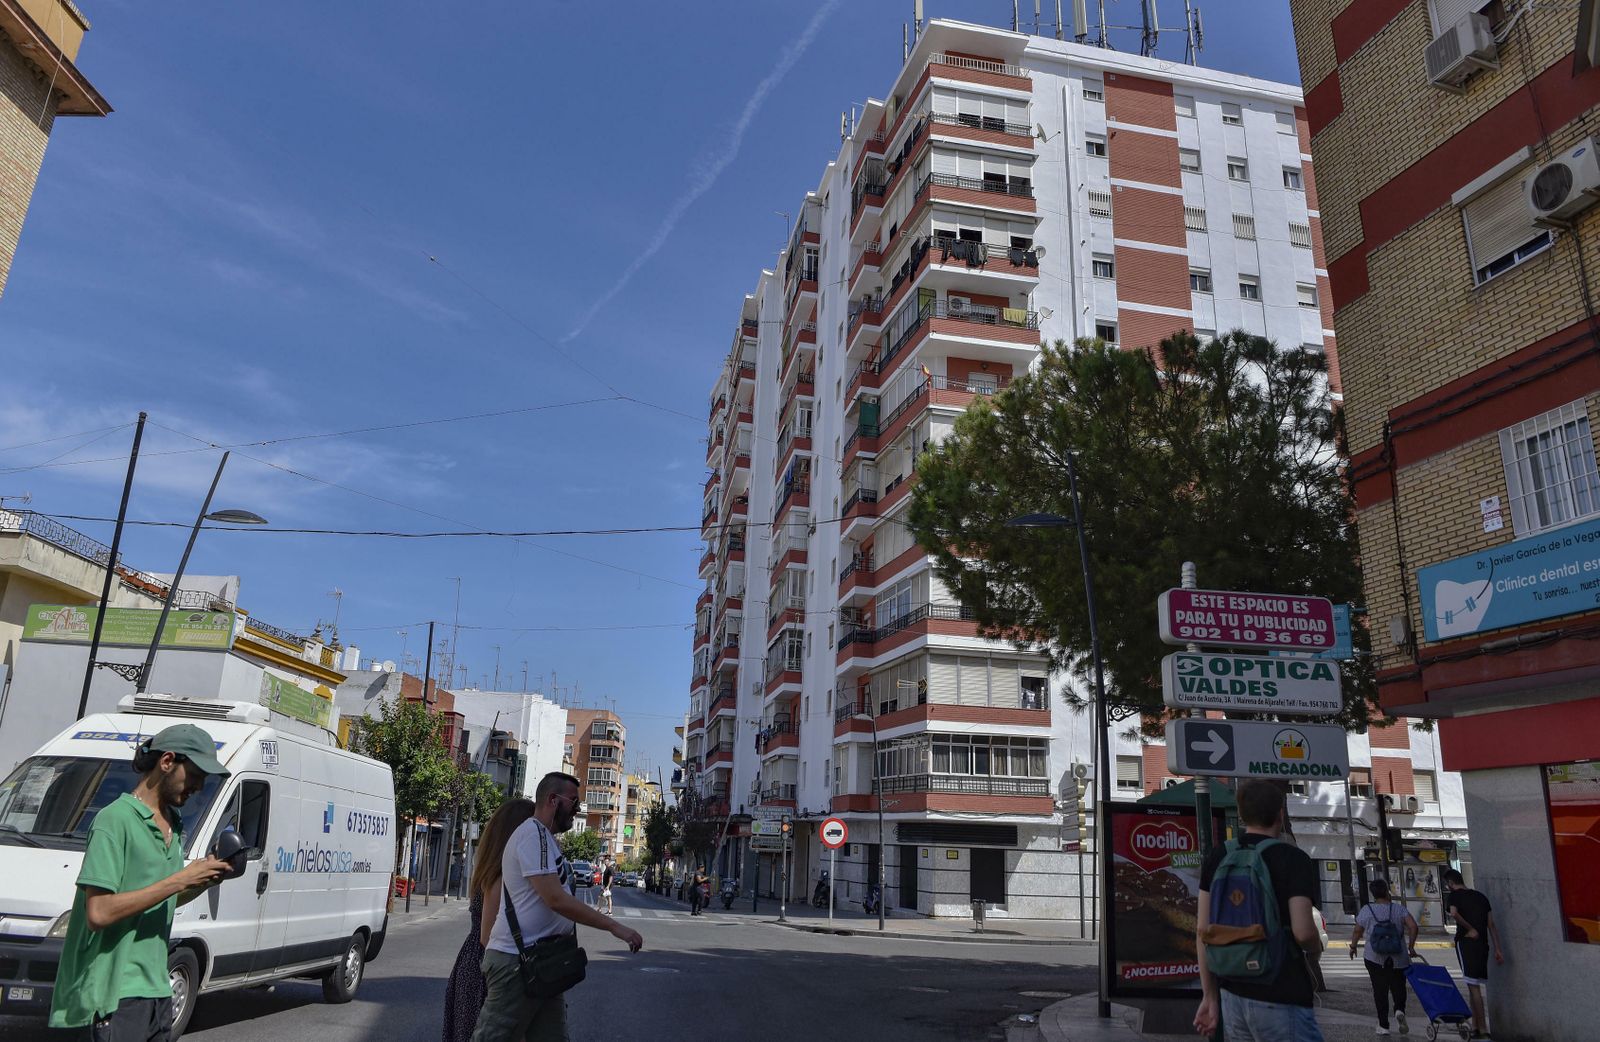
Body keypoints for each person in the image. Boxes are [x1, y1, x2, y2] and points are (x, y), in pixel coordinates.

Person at [48, 725, 232, 1042]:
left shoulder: (173, 825)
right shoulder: (114, 820)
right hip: (110, 994)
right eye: (195, 774)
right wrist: (179, 879)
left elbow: (161, 897)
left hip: (156, 990)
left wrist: (202, 879)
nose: (199, 786)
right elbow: (99, 913)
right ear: (167, 762)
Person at [474, 773, 644, 1042]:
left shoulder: (546, 839)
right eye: (574, 802)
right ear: (553, 800)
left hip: (543, 961)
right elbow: (555, 899)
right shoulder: (532, 835)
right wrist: (614, 926)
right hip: (518, 963)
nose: (577, 810)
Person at [1194, 779, 1325, 1041]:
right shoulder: (1293, 859)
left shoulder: (1219, 855)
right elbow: (1303, 932)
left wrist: (1209, 995)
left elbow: (1202, 930)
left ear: (1242, 815)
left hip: (1233, 993)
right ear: (1280, 813)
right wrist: (1315, 947)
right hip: (1281, 990)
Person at [443, 798, 537, 1042]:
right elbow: (488, 937)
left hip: (474, 963)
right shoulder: (501, 876)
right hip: (485, 970)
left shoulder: (492, 869)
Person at [1350, 878, 1419, 1036]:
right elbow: (1413, 926)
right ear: (1387, 890)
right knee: (1399, 986)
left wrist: (1353, 946)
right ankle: (1399, 1010)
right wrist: (1411, 946)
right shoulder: (1399, 909)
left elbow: (1357, 931)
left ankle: (1383, 1025)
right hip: (1398, 956)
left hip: (1374, 957)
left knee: (1379, 990)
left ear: (1373, 894)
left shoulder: (1367, 910)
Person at [1442, 869, 1503, 1040]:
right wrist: (1498, 948)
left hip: (1466, 942)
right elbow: (1491, 925)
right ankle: (1476, 1026)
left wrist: (1470, 929)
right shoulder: (1481, 897)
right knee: (1473, 984)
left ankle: (1482, 1029)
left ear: (1451, 883)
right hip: (1484, 945)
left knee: (1473, 987)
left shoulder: (1454, 896)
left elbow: (1453, 913)